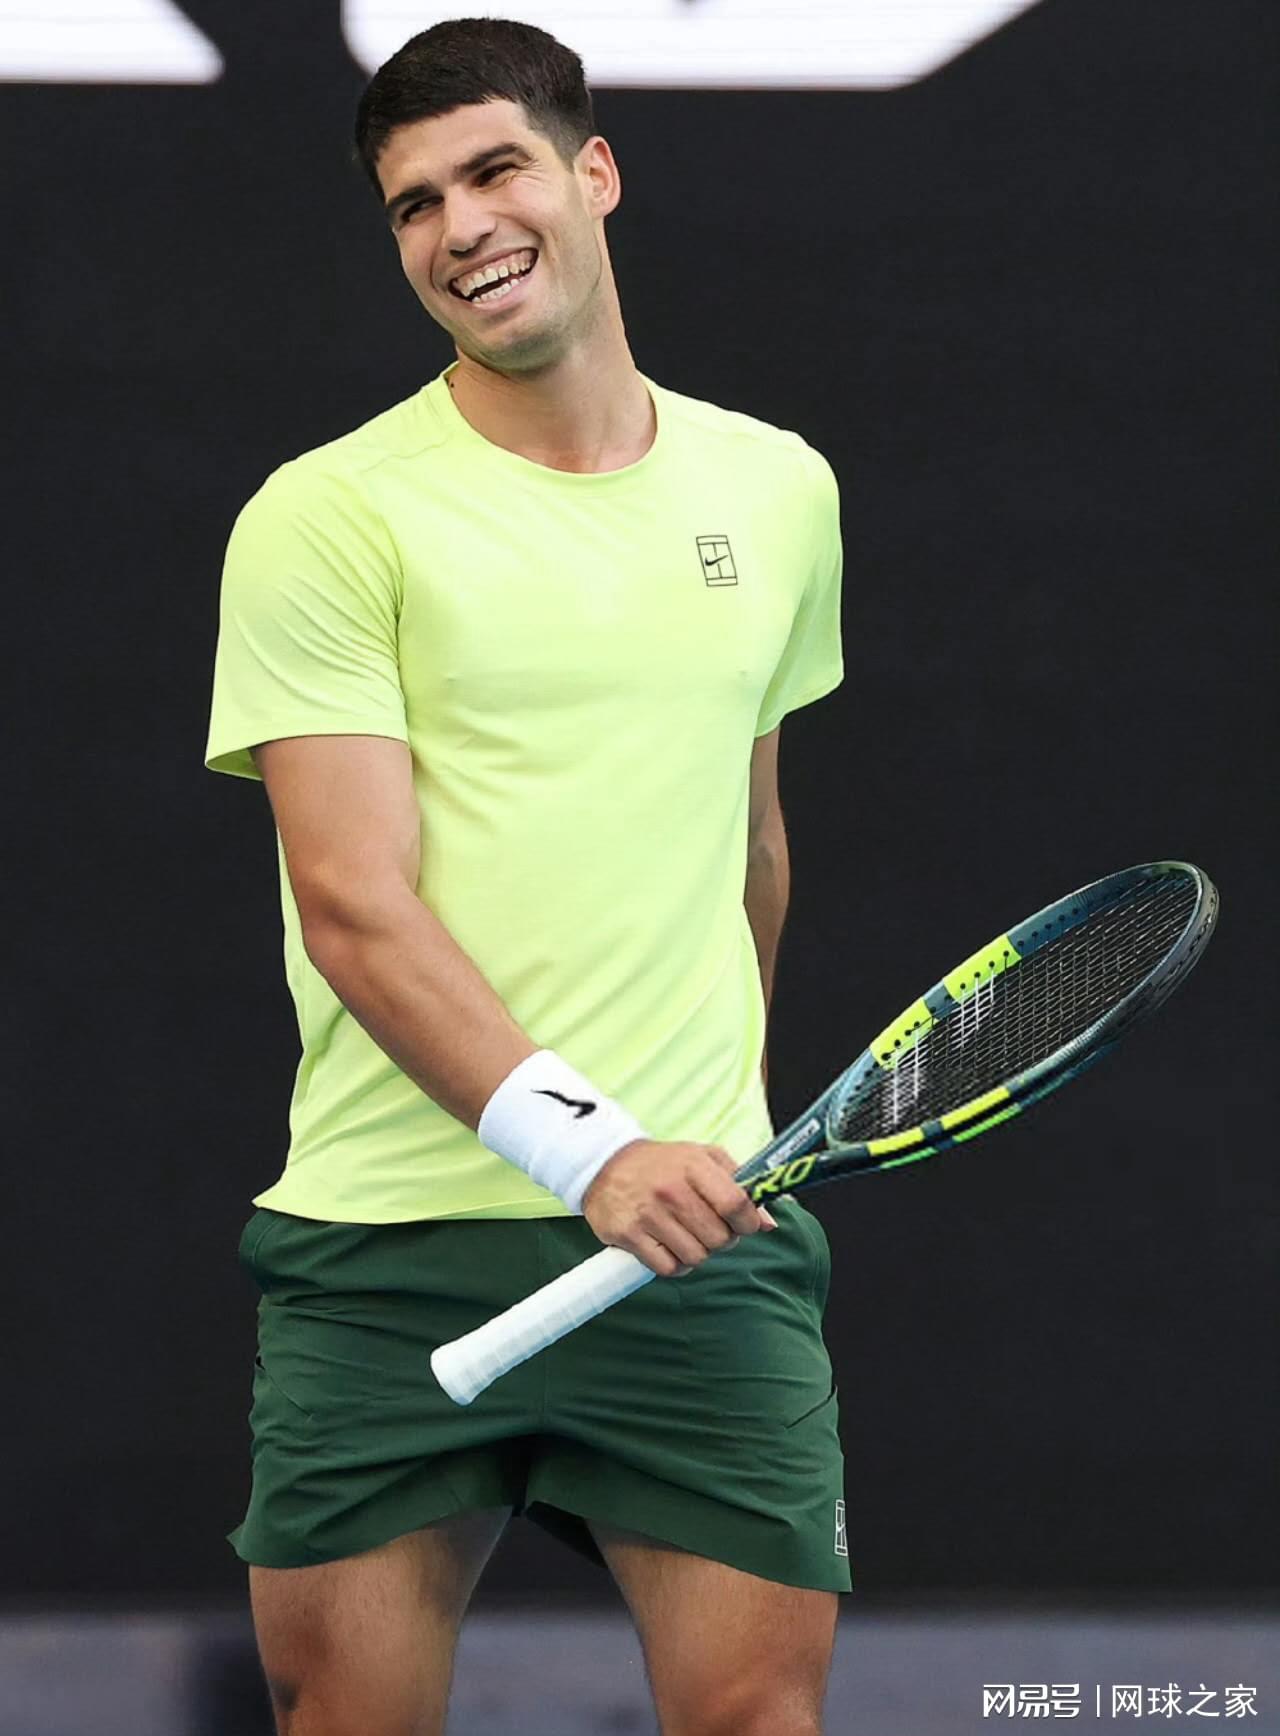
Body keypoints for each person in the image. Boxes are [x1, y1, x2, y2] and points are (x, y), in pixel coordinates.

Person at [205, 16, 846, 1736]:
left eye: (494, 171)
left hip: (690, 1242)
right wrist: (592, 1149)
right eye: (415, 204)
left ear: (594, 173)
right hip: (389, 1243)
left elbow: (750, 843)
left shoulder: (778, 490)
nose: (461, 227)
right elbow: (354, 905)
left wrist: (706, 1128)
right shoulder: (326, 516)